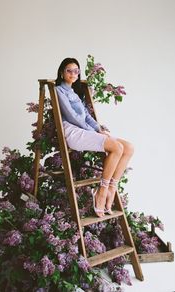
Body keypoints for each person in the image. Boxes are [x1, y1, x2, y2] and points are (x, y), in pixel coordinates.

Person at [55, 57, 134, 218]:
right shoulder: (59, 90)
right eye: (69, 70)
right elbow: (72, 117)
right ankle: (101, 192)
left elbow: (86, 115)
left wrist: (98, 128)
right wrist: (93, 131)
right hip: (73, 131)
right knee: (116, 147)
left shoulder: (75, 92)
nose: (73, 73)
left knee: (129, 147)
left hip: (86, 129)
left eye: (76, 71)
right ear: (62, 73)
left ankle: (112, 187)